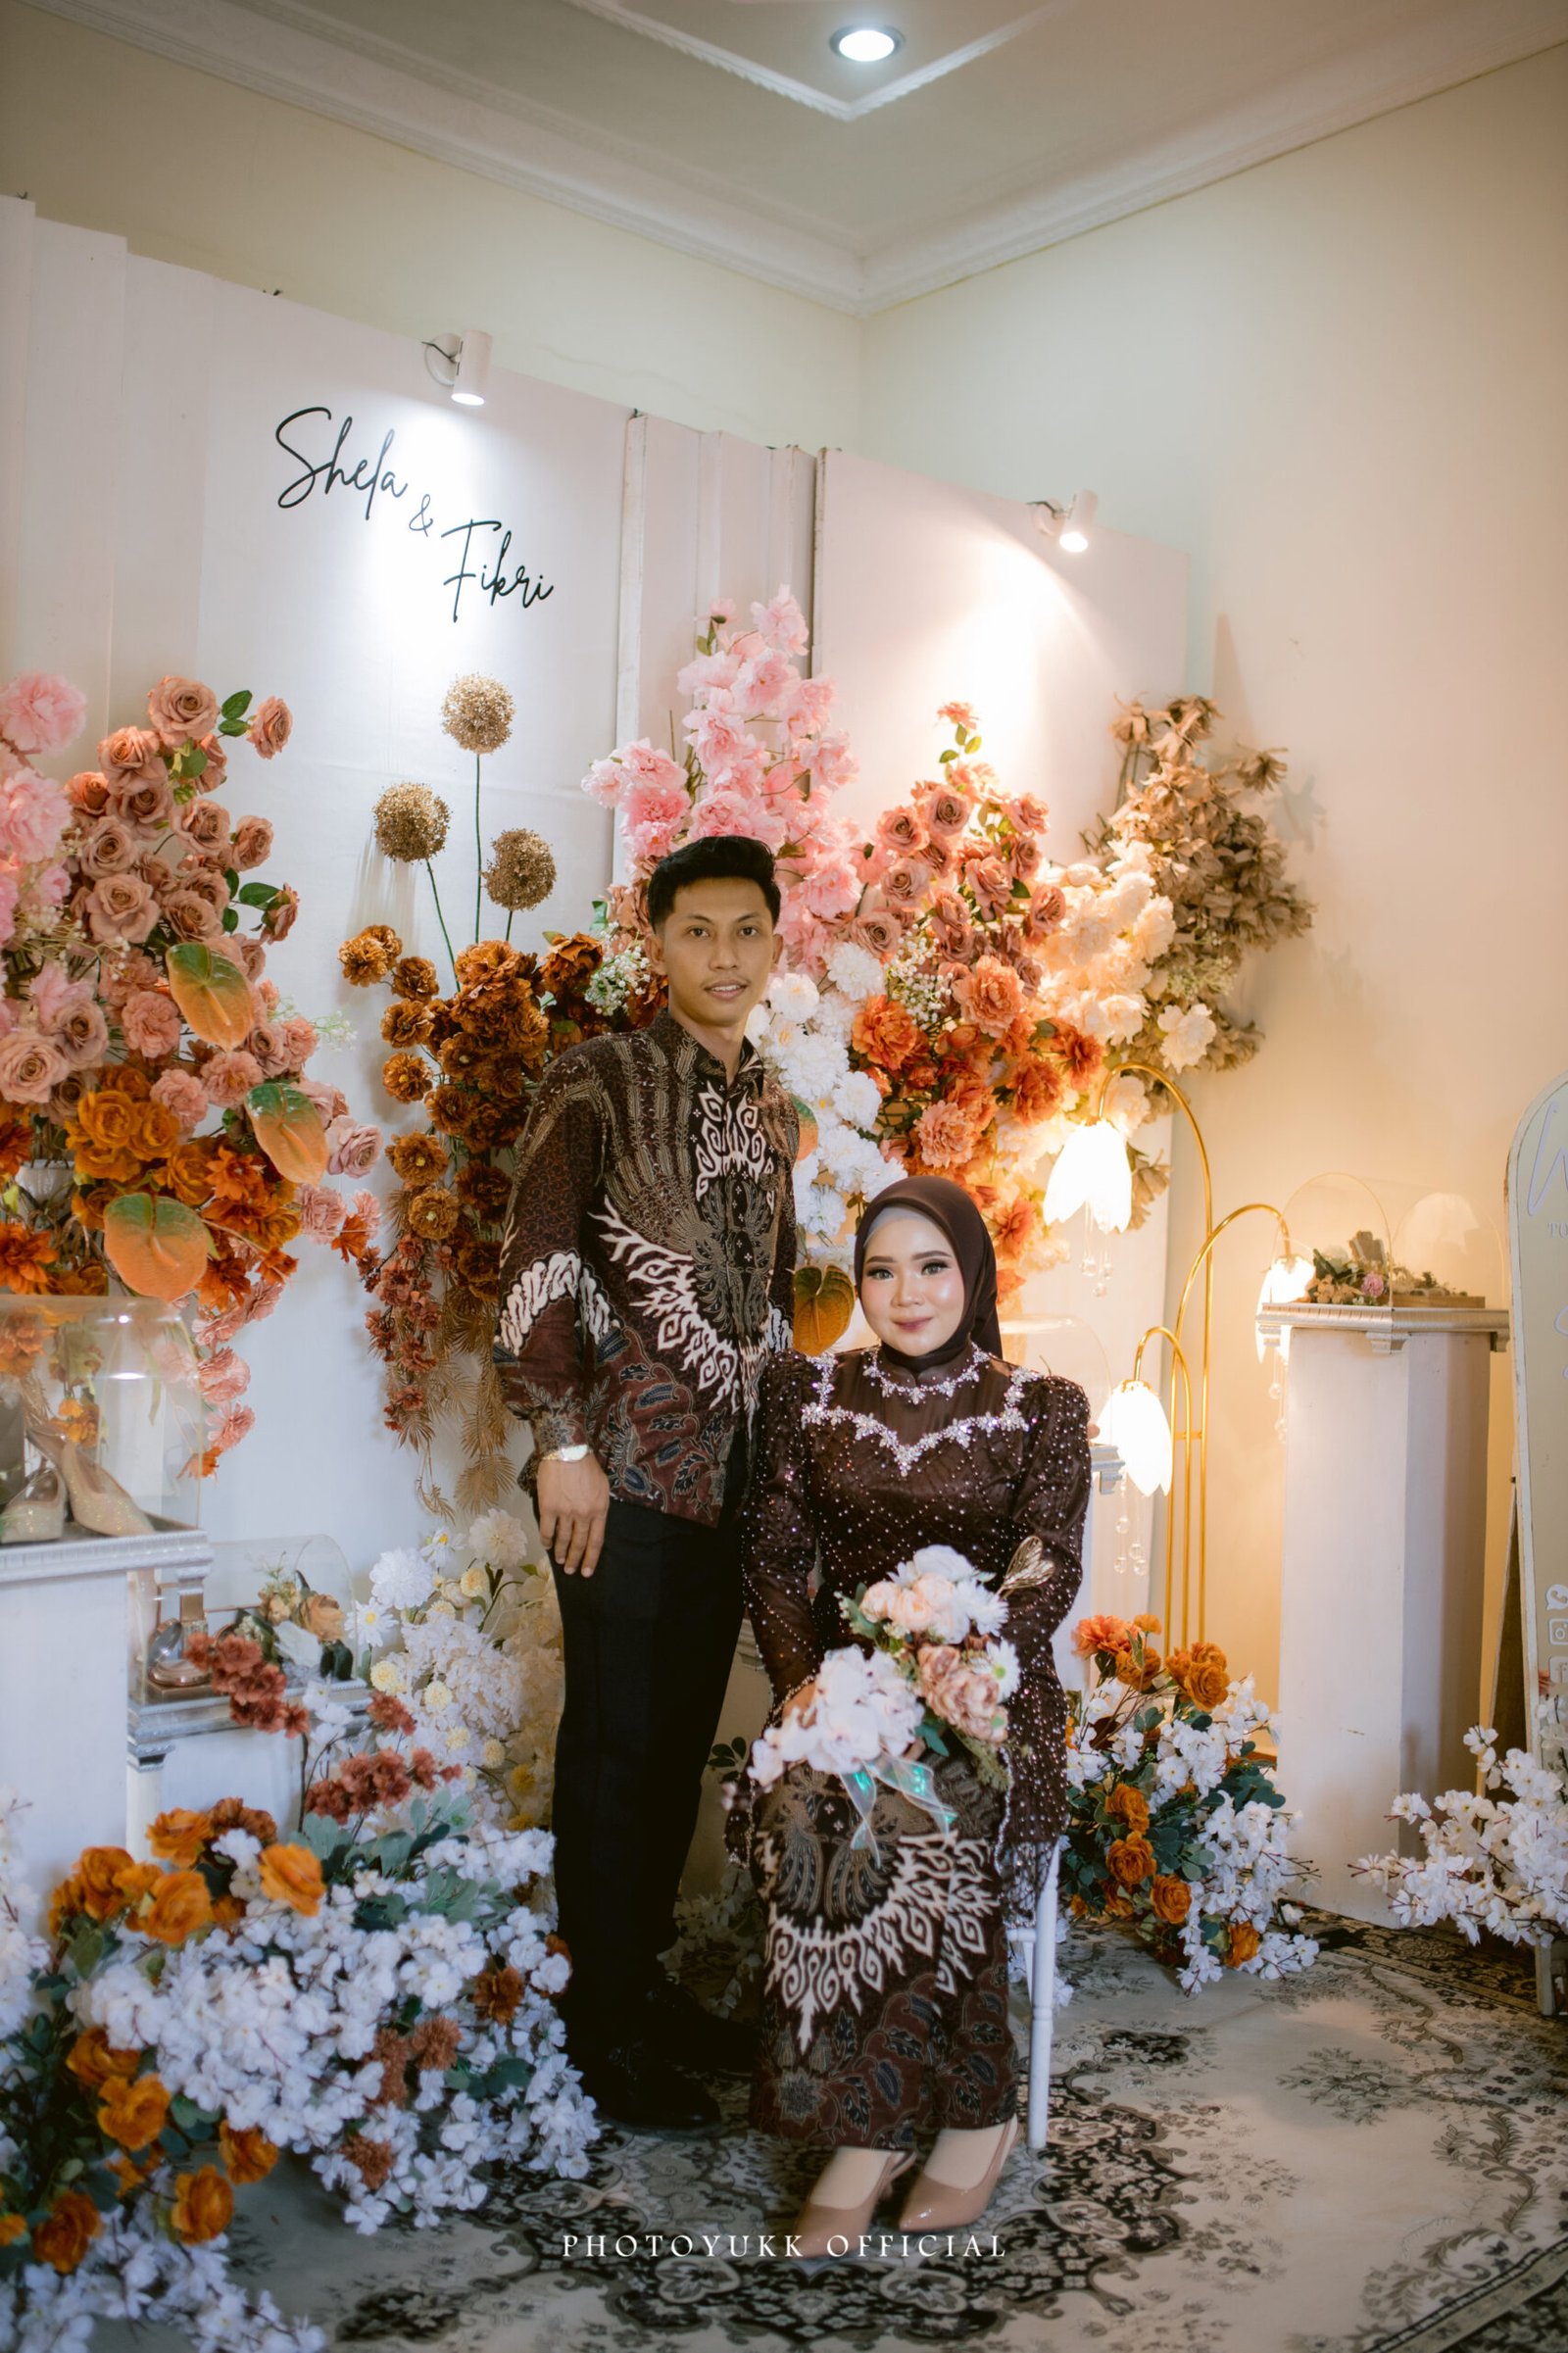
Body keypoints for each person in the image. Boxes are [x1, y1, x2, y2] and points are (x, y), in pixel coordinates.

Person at [494, 834, 799, 2132]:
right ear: (656, 940)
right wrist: (561, 1442)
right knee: (616, 1751)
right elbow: (538, 1251)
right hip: (616, 1474)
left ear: (775, 941)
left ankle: (641, 1982)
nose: (724, 955)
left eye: (746, 930)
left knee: (674, 1751)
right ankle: (599, 2032)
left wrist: (786, 1462)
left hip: (727, 1481)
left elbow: (771, 1294)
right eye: (697, 931)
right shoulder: (599, 1076)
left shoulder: (772, 1100)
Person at [738, 1175, 1091, 2249]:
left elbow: (1045, 1566)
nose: (907, 1293)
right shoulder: (806, 1392)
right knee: (807, 1804)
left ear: (972, 1273)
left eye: (932, 1266)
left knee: (922, 1806)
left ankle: (969, 2115)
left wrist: (959, 1666)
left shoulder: (1042, 1406)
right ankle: (870, 2124)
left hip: (986, 1698)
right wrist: (803, 1685)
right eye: (881, 1271)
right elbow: (772, 1557)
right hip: (844, 1690)